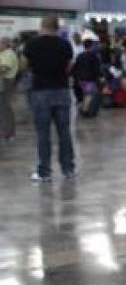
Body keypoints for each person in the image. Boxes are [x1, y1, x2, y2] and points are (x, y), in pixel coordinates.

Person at [22, 15, 75, 182]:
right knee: (64, 132)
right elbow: (68, 67)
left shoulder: (31, 44)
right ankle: (68, 169)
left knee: (43, 134)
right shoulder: (65, 44)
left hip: (40, 92)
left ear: (41, 26)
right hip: (61, 91)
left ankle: (44, 172)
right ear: (57, 27)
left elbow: (23, 65)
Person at [73, 39, 103, 118]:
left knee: (85, 94)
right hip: (89, 79)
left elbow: (75, 68)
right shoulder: (93, 56)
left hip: (80, 79)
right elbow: (97, 69)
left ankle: (83, 108)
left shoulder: (79, 56)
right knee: (89, 94)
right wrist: (101, 76)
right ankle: (84, 110)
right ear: (91, 46)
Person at [0, 37, 19, 142]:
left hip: (7, 82)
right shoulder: (4, 53)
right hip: (3, 82)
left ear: (5, 44)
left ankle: (9, 133)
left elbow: (3, 69)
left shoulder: (9, 54)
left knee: (5, 108)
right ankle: (5, 131)